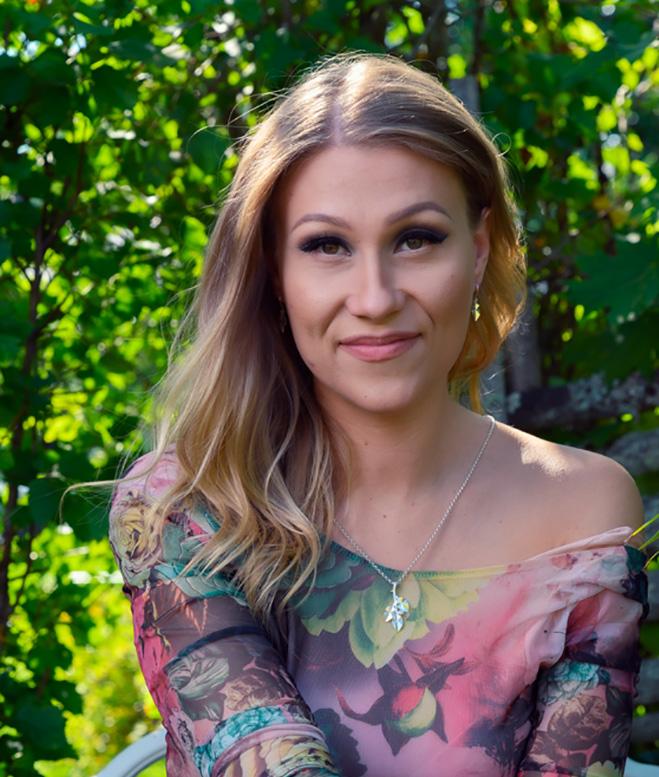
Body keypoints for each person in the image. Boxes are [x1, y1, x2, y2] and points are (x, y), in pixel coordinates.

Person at [108, 52, 649, 776]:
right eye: (326, 245)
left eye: (415, 238)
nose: (375, 297)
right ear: (274, 273)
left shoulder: (584, 510)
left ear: (478, 249)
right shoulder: (185, 506)